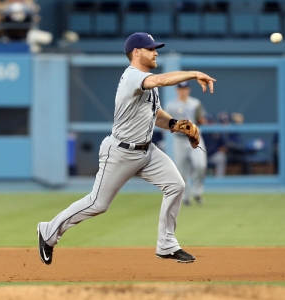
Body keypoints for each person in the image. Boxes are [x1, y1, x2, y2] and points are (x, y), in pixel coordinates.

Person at [37, 32, 216, 265]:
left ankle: (167, 245)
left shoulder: (146, 81)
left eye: (155, 48)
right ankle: (48, 232)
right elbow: (161, 80)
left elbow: (155, 115)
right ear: (136, 52)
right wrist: (193, 74)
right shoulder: (133, 76)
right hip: (120, 152)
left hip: (146, 151)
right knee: (97, 204)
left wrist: (174, 124)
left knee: (176, 185)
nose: (155, 52)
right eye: (151, 49)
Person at [166, 81, 207, 206]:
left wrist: (202, 120)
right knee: (181, 169)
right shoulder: (171, 105)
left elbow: (201, 119)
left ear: (188, 90)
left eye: (185, 88)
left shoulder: (195, 103)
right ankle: (186, 196)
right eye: (180, 88)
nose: (183, 91)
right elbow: (167, 122)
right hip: (179, 140)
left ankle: (198, 191)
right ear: (177, 90)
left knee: (200, 165)